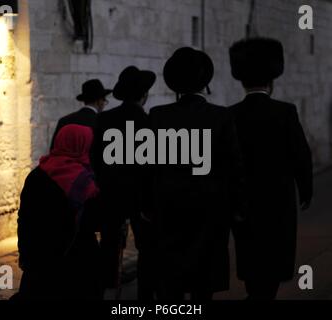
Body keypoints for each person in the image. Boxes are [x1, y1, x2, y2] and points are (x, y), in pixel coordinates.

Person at [148, 47, 244, 300]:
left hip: (168, 208)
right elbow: (233, 167)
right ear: (205, 81)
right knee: (204, 282)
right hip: (210, 210)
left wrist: (148, 206)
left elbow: (147, 166)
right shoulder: (221, 116)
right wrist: (235, 208)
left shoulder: (158, 116)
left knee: (171, 284)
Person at [229, 37, 313, 300]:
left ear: (242, 81)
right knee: (275, 254)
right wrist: (306, 189)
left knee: (250, 253)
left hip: (245, 200)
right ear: (272, 82)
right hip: (279, 199)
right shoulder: (286, 111)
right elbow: (301, 154)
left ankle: (255, 294)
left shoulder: (231, 114)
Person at [17, 124, 102, 299]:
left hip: (40, 259)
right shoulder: (85, 182)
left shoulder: (36, 175)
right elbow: (94, 221)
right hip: (77, 263)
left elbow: (24, 219)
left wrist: (25, 253)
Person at [92, 66, 156, 300]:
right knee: (146, 249)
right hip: (141, 195)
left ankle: (107, 289)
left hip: (111, 193)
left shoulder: (104, 119)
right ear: (144, 95)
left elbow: (95, 159)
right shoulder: (149, 122)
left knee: (109, 244)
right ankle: (144, 296)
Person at [50, 79, 112, 149]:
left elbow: (54, 150)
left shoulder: (64, 121)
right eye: (104, 101)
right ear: (99, 101)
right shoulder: (103, 122)